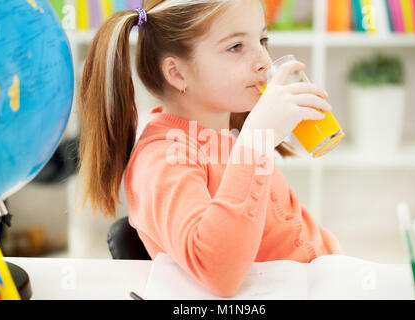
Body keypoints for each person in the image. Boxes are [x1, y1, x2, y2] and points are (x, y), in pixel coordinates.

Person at [76, 0, 343, 298]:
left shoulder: (224, 134)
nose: (264, 61)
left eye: (262, 40)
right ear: (177, 74)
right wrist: (255, 141)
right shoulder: (162, 159)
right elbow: (218, 270)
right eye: (235, 47)